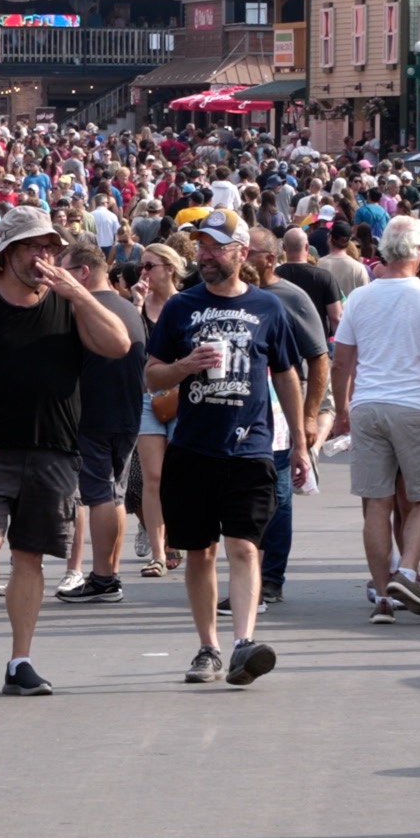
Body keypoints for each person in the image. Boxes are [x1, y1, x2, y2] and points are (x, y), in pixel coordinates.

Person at [0, 206, 131, 697]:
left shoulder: (69, 301)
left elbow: (118, 346)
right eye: (34, 246)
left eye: (51, 247)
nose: (44, 256)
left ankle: (20, 660)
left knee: (29, 557)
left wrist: (79, 294)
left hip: (52, 448)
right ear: (8, 254)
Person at [144, 209, 308, 686]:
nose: (206, 255)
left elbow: (287, 374)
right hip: (194, 447)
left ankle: (243, 644)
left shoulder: (268, 308)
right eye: (202, 246)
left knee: (244, 546)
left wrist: (299, 443)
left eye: (216, 247)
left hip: (251, 446)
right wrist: (184, 366)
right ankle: (207, 647)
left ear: (241, 252)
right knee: (200, 551)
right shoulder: (182, 307)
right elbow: (151, 374)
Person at [331, 216, 420, 624]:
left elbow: (341, 362)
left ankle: (382, 597)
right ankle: (407, 571)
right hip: (414, 405)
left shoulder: (362, 298)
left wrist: (341, 410)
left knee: (376, 503)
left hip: (369, 404)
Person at [55, 238, 146, 605]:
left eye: (64, 271)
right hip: (126, 413)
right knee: (115, 495)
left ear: (83, 272)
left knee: (99, 496)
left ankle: (104, 578)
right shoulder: (127, 309)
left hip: (95, 414)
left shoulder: (84, 310)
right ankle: (109, 574)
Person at [248, 228, 330, 604]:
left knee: (279, 495)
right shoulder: (229, 296)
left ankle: (270, 578)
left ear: (269, 258)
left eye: (247, 252)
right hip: (237, 413)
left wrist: (310, 416)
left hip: (280, 412)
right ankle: (248, 572)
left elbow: (318, 356)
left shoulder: (289, 298)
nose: (240, 258)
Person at [134, 243, 187, 576]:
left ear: (169, 268)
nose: (143, 273)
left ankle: (176, 538)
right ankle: (157, 552)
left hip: (182, 395)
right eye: (141, 266)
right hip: (145, 397)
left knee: (178, 475)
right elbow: (129, 348)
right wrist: (136, 306)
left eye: (149, 266)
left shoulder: (186, 304)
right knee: (151, 477)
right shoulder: (138, 305)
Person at [318, 221, 371, 300]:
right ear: (349, 240)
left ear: (330, 238)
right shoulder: (359, 268)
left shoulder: (319, 264)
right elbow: (366, 298)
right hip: (351, 311)